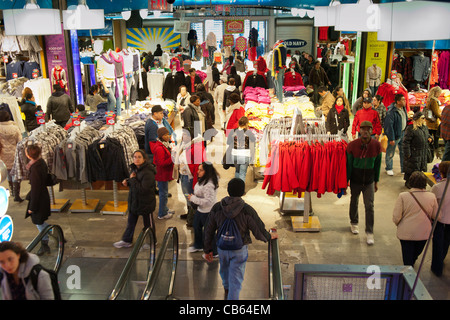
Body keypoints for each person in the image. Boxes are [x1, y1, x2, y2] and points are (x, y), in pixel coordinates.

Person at [203, 178, 278, 300]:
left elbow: (208, 230)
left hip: (222, 247)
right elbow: (258, 230)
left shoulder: (217, 208)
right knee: (236, 280)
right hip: (239, 249)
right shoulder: (246, 210)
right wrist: (269, 236)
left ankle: (226, 289)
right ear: (243, 192)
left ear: (228, 190)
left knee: (224, 270)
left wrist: (207, 249)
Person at [346, 121, 382, 245]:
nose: (365, 131)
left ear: (372, 131)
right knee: (354, 201)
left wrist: (376, 181)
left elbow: (377, 165)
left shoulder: (376, 146)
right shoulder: (352, 146)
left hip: (369, 181)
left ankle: (369, 232)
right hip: (356, 179)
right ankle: (354, 223)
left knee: (369, 205)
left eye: (368, 129)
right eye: (363, 129)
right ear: (359, 130)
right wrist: (346, 181)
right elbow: (348, 165)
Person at [392, 171, 438, 266]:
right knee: (416, 253)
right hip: (424, 233)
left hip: (406, 232)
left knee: (407, 258)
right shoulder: (432, 197)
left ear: (411, 182)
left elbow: (396, 217)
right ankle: (412, 263)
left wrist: (399, 224)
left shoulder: (403, 196)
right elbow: (436, 216)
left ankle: (408, 275)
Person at [114, 150, 157, 248]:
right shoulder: (135, 169)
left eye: (139, 157)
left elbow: (143, 189)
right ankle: (126, 240)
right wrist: (128, 181)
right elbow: (135, 183)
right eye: (134, 157)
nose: (136, 159)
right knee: (131, 223)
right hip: (135, 201)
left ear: (144, 159)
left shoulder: (148, 172)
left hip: (146, 202)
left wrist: (132, 180)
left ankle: (152, 241)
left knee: (148, 224)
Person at [173, 130, 205, 226]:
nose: (183, 136)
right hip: (183, 175)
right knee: (187, 196)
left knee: (190, 197)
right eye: (183, 134)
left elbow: (198, 165)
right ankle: (189, 214)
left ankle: (193, 219)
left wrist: (197, 179)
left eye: (186, 134)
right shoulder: (185, 145)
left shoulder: (196, 147)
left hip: (189, 177)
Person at [24, 144, 51, 256]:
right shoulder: (41, 162)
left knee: (38, 222)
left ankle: (45, 244)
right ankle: (54, 233)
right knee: (41, 220)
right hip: (44, 196)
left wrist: (32, 208)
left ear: (29, 155)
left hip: (39, 200)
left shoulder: (34, 169)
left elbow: (35, 190)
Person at [187, 162, 219, 255]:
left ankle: (214, 251)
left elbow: (208, 201)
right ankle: (199, 245)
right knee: (196, 226)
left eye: (201, 170)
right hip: (201, 210)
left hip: (207, 211)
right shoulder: (204, 179)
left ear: (207, 171)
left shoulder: (209, 185)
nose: (198, 172)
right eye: (198, 169)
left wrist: (193, 198)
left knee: (209, 231)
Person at [403, 112, 432, 188]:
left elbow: (428, 135)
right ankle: (409, 182)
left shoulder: (424, 128)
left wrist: (430, 138)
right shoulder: (410, 129)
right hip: (414, 153)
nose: (424, 120)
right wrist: (407, 153)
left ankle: (417, 183)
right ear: (418, 119)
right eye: (422, 118)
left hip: (422, 152)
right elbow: (406, 142)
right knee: (412, 169)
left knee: (420, 169)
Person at [431, 161, 450, 276]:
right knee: (446, 242)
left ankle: (437, 268)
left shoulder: (437, 187)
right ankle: (442, 259)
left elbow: (432, 204)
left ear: (441, 173)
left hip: (440, 220)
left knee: (438, 244)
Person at [151, 127, 175, 220]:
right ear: (160, 136)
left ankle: (164, 208)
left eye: (168, 134)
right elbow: (161, 163)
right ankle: (162, 213)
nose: (167, 136)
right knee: (163, 194)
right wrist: (172, 158)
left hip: (164, 174)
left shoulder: (164, 144)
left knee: (164, 192)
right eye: (165, 135)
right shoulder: (159, 148)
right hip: (162, 174)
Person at [0, 111, 23, 202]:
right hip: (14, 153)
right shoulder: (15, 128)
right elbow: (20, 141)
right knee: (15, 173)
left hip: (2, 154)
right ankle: (16, 194)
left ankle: (12, 190)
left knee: (8, 171)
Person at [384, 94, 408, 176]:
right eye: (403, 100)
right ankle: (389, 168)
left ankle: (403, 168)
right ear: (398, 101)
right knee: (390, 151)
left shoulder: (403, 108)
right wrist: (391, 138)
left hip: (403, 133)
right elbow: (389, 126)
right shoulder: (391, 112)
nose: (405, 101)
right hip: (395, 134)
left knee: (403, 151)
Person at [226, 116, 256, 181]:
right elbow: (253, 140)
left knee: (237, 171)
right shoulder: (248, 132)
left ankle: (236, 188)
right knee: (242, 173)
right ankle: (241, 190)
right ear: (246, 124)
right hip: (245, 155)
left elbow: (228, 142)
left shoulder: (232, 131)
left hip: (234, 155)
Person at [425, 86, 442, 159]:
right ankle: (437, 154)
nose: (439, 95)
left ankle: (428, 153)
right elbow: (436, 113)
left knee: (429, 138)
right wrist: (442, 118)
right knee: (436, 139)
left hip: (429, 122)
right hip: (433, 124)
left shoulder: (429, 100)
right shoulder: (434, 101)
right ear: (436, 92)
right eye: (439, 93)